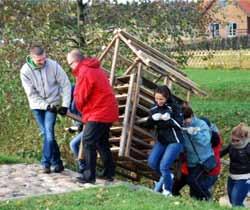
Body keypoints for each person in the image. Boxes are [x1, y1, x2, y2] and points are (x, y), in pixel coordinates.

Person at [66, 49, 118, 184]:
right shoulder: (93, 68)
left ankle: (89, 176)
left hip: (98, 112)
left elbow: (81, 97)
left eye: (70, 64)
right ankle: (108, 173)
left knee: (88, 142)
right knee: (102, 142)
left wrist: (77, 107)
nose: (70, 67)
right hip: (107, 110)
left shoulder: (84, 72)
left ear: (75, 62)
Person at [20, 45, 71, 173]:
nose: (43, 62)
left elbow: (65, 84)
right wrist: (46, 106)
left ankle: (45, 163)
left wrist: (65, 105)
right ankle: (57, 163)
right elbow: (31, 94)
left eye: (44, 58)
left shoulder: (53, 65)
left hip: (53, 103)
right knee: (46, 134)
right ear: (32, 58)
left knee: (48, 132)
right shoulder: (25, 71)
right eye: (39, 60)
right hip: (37, 106)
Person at [146, 85, 184, 196]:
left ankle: (167, 191)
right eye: (156, 99)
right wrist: (152, 119)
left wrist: (169, 119)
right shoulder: (154, 107)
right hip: (162, 140)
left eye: (161, 99)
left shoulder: (175, 107)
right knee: (152, 162)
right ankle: (168, 176)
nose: (158, 101)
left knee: (164, 166)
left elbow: (179, 124)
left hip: (175, 140)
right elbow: (148, 125)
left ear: (167, 97)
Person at [172, 116, 222, 197]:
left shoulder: (212, 138)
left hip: (207, 170)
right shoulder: (192, 134)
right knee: (175, 190)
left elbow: (209, 155)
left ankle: (208, 202)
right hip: (189, 169)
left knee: (197, 193)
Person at [182, 107, 217, 200]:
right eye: (183, 120)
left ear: (192, 116)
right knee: (193, 191)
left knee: (192, 180)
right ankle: (199, 204)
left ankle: (208, 198)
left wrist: (195, 133)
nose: (185, 122)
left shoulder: (201, 124)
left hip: (205, 160)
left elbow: (205, 141)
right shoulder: (182, 127)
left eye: (187, 119)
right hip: (192, 162)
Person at [220, 123, 250, 207]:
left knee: (236, 202)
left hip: (245, 178)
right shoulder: (231, 146)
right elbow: (219, 154)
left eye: (237, 140)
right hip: (232, 176)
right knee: (233, 201)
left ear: (245, 138)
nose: (234, 142)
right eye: (233, 140)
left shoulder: (248, 147)